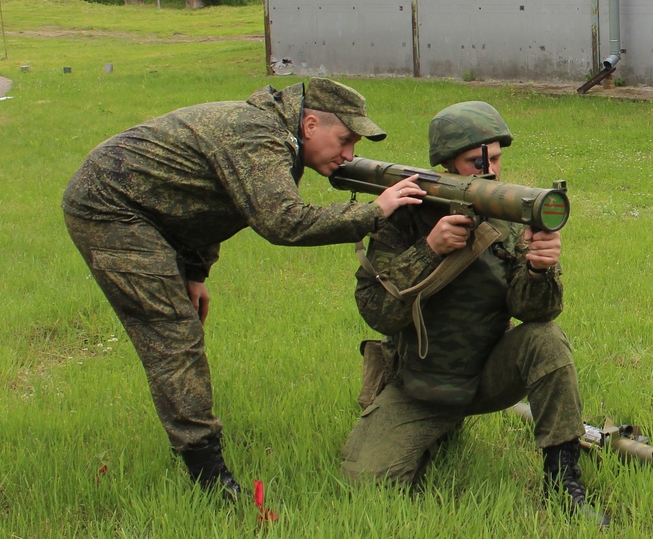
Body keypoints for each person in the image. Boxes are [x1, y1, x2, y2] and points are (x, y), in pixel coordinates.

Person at [61, 77, 424, 500]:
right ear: (310, 125)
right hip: (109, 208)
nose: (349, 155)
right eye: (345, 140)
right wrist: (374, 212)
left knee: (180, 326)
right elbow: (283, 221)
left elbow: (207, 202)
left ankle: (202, 454)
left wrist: (195, 272)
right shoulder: (258, 137)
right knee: (172, 336)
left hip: (150, 211)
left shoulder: (271, 133)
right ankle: (208, 475)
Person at [340, 101, 609, 526]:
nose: (491, 172)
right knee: (367, 485)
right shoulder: (404, 215)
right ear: (446, 164)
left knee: (547, 339)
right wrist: (430, 250)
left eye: (496, 159)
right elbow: (378, 312)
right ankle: (435, 430)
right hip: (420, 384)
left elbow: (534, 311)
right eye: (477, 163)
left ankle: (563, 481)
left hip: (485, 375)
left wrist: (540, 268)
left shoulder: (510, 216)